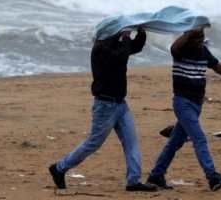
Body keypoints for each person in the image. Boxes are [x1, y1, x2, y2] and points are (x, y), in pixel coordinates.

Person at [49, 27, 158, 192]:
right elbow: (121, 56)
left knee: (131, 142)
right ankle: (59, 168)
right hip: (105, 106)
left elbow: (133, 48)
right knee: (93, 143)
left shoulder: (112, 45)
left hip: (121, 104)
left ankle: (133, 181)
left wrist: (141, 32)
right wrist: (127, 36)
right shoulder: (101, 49)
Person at [146, 26, 221, 192]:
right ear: (188, 38)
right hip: (183, 103)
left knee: (174, 143)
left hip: (197, 104)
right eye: (196, 38)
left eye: (201, 37)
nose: (199, 41)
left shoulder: (203, 51)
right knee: (199, 139)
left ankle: (156, 175)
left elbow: (216, 66)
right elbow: (174, 47)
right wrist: (189, 33)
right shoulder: (180, 51)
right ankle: (212, 177)